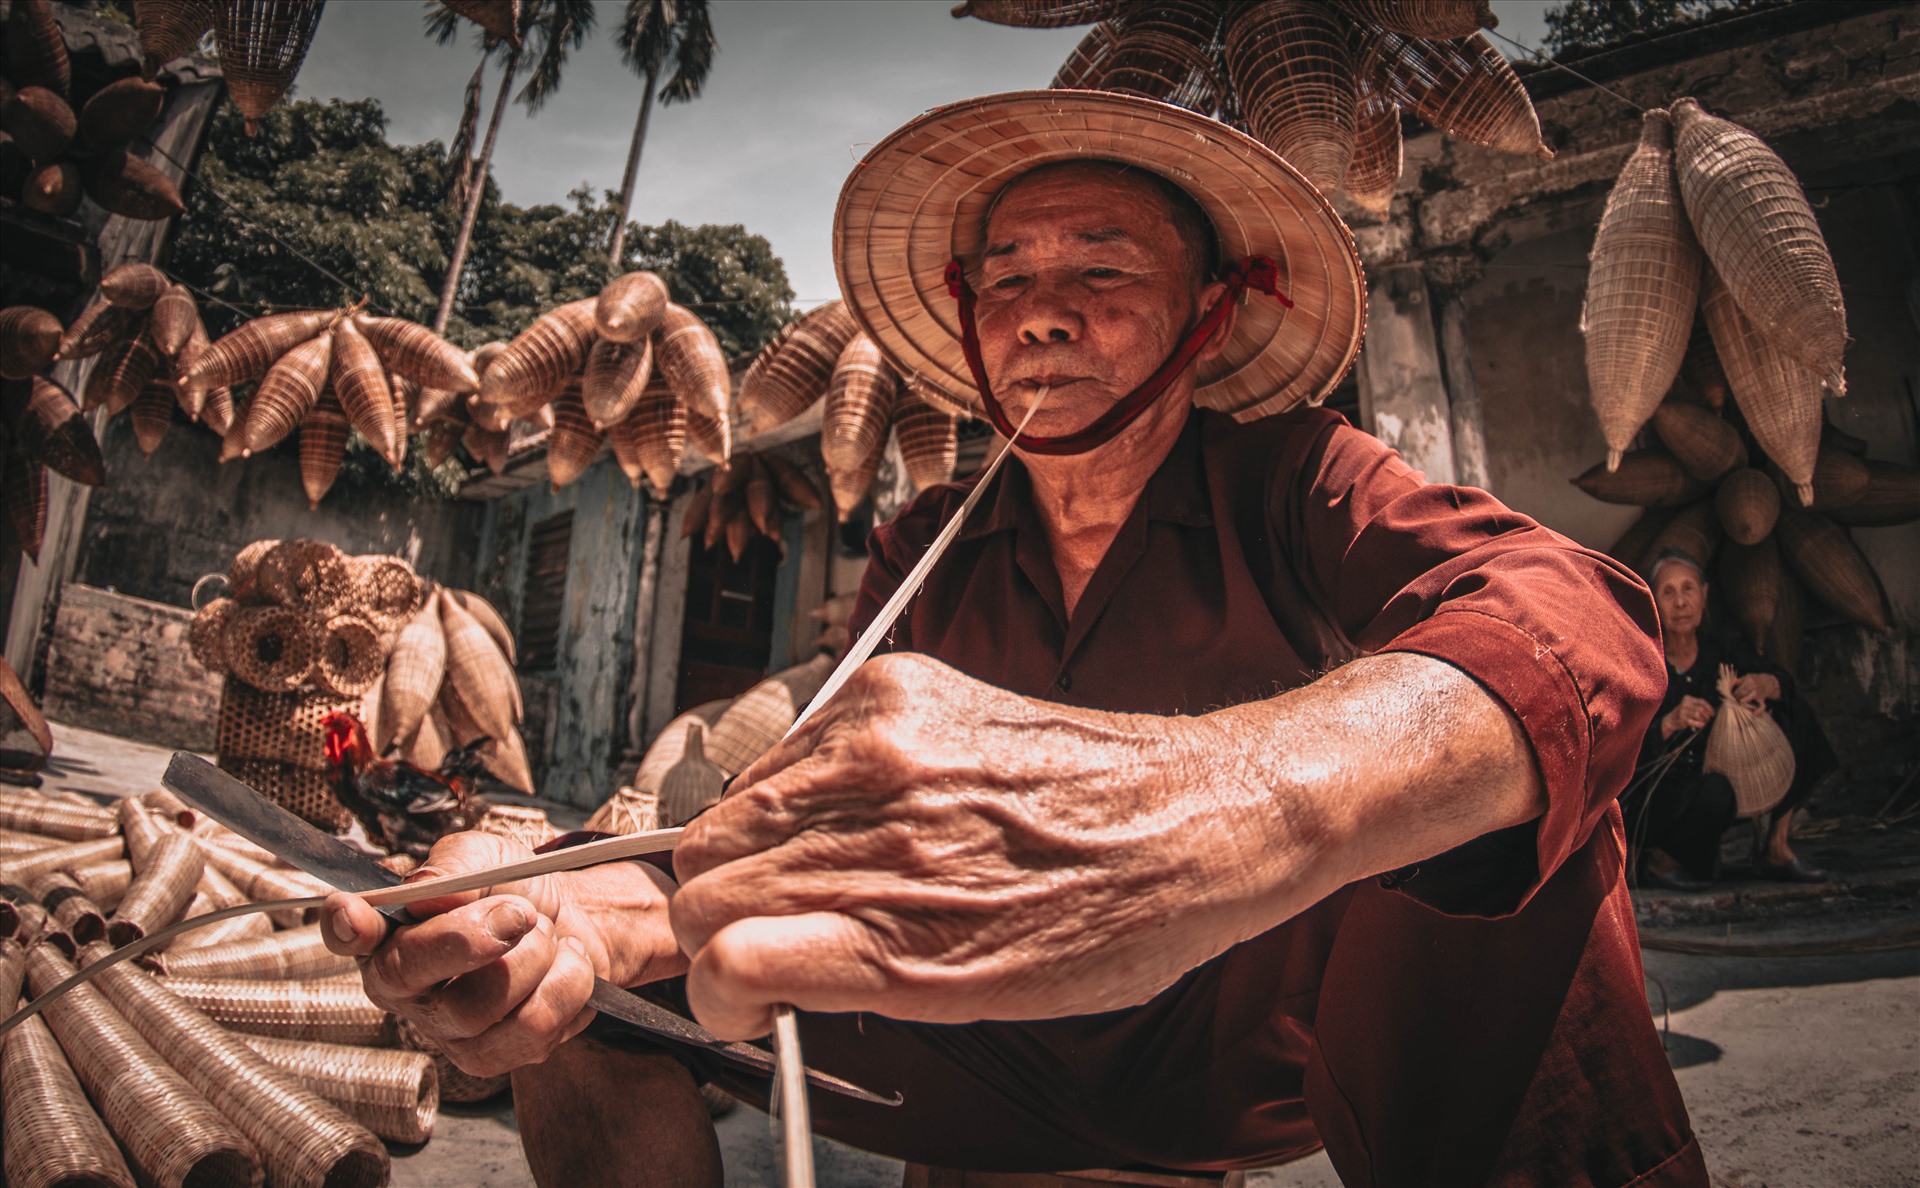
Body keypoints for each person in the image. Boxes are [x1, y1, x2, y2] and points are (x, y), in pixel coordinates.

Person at [323, 92, 1707, 1186]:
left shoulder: (1296, 478)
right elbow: (793, 819)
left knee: (1523, 825)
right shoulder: (925, 544)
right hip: (973, 1040)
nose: (1044, 308)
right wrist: (592, 909)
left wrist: (1228, 805)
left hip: (1247, 1044)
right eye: (1007, 280)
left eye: (1104, 268)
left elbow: (1575, 618)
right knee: (569, 968)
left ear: (1206, 312)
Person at [1629, 551, 1835, 890]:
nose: (1681, 602)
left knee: (1795, 710)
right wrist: (1668, 723)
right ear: (1653, 602)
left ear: (1704, 595)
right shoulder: (1642, 664)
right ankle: (1658, 861)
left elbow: (1780, 680)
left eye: (1688, 589)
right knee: (1715, 790)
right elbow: (1617, 743)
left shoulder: (1720, 651)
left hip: (1726, 783)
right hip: (1664, 797)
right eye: (1668, 592)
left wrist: (1767, 685)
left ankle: (1777, 847)